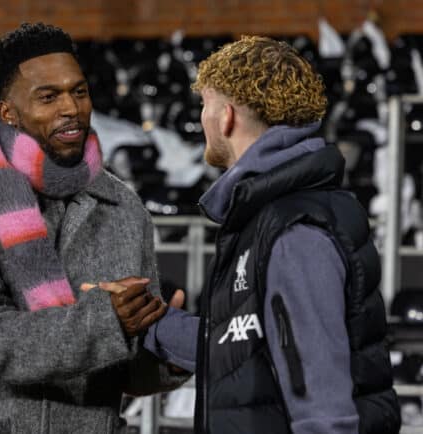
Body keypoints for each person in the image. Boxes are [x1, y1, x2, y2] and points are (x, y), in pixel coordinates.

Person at [0, 22, 189, 434]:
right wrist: (105, 322)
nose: (71, 108)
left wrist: (167, 352)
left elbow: (120, 372)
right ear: (9, 112)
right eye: (48, 97)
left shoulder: (122, 209)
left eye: (79, 91)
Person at [101, 35, 401, 434]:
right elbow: (244, 350)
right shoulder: (273, 211)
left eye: (205, 104)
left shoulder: (294, 230)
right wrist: (152, 323)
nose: (204, 118)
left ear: (226, 116)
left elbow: (324, 412)